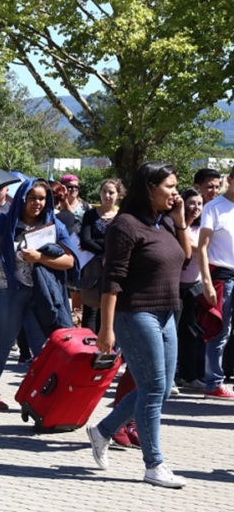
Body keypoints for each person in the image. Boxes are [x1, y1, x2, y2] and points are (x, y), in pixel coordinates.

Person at [85, 161, 192, 488]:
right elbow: (112, 280)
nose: (175, 192)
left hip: (167, 314)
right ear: (149, 188)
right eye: (169, 186)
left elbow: (185, 257)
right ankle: (154, 464)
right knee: (153, 389)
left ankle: (103, 431)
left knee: (160, 390)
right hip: (135, 314)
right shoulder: (125, 225)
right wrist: (106, 328)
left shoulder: (164, 223)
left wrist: (180, 221)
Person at [0, 178, 77, 410]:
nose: (37, 203)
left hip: (42, 295)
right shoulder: (4, 225)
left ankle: (40, 399)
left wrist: (40, 258)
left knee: (43, 350)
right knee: (3, 344)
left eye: (42, 198)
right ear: (22, 199)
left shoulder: (55, 226)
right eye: (32, 198)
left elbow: (69, 261)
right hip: (9, 292)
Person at [193, 164, 234, 399]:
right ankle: (213, 382)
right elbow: (202, 247)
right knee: (220, 330)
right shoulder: (214, 207)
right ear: (230, 179)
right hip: (223, 275)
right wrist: (207, 282)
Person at [78, 178, 124, 331]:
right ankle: (88, 341)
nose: (107, 195)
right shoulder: (90, 215)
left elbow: (122, 242)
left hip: (114, 266)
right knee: (91, 307)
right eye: (104, 191)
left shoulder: (122, 216)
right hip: (92, 266)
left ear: (118, 194)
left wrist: (108, 255)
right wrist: (106, 251)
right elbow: (85, 241)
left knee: (110, 307)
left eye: (111, 192)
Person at [176, 189, 206, 390]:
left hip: (194, 286)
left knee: (191, 332)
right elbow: (193, 249)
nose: (195, 207)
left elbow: (200, 249)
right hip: (173, 286)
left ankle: (188, 376)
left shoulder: (202, 228)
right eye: (191, 203)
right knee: (171, 332)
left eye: (199, 204)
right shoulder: (173, 225)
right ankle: (170, 376)